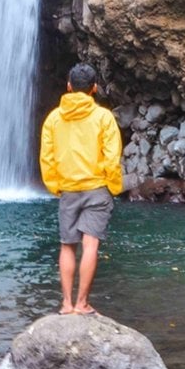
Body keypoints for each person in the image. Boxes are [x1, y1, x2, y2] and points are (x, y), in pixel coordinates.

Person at [39, 63, 123, 316]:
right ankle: (82, 303)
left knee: (67, 245)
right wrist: (113, 186)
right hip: (97, 187)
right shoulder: (103, 118)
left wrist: (55, 185)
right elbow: (112, 157)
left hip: (68, 189)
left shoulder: (54, 118)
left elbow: (47, 157)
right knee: (91, 245)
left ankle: (66, 304)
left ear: (68, 86)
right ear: (94, 89)